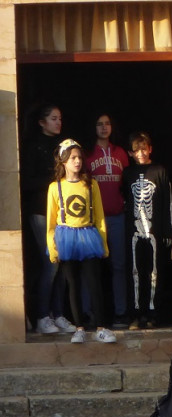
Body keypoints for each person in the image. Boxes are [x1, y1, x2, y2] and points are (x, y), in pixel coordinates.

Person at [46, 140, 114, 344]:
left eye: (79, 158)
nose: (77, 161)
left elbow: (99, 216)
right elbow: (51, 220)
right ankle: (79, 327)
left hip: (88, 236)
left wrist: (103, 243)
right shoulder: (55, 187)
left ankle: (101, 326)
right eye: (72, 158)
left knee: (94, 282)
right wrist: (52, 247)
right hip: (66, 237)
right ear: (64, 162)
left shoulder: (90, 184)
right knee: (72, 284)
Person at [22, 103, 72, 335]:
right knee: (50, 263)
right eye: (53, 118)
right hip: (41, 211)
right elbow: (27, 182)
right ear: (42, 122)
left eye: (60, 118)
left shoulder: (63, 147)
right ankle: (42, 315)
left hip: (63, 213)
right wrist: (53, 182)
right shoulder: (33, 147)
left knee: (61, 265)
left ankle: (58, 314)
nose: (58, 122)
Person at [121, 132, 172, 330]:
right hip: (134, 231)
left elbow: (168, 201)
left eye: (144, 149)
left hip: (155, 230)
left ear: (150, 149)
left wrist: (169, 229)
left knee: (154, 272)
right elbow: (124, 200)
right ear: (131, 153)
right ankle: (135, 314)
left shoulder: (160, 171)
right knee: (135, 272)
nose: (141, 153)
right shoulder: (127, 173)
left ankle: (153, 313)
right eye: (136, 150)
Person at [86, 112, 129, 328]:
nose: (104, 127)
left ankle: (120, 312)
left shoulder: (120, 153)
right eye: (99, 124)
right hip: (93, 221)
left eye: (107, 124)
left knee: (119, 266)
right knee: (91, 267)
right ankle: (89, 314)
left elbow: (129, 182)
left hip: (117, 217)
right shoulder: (86, 154)